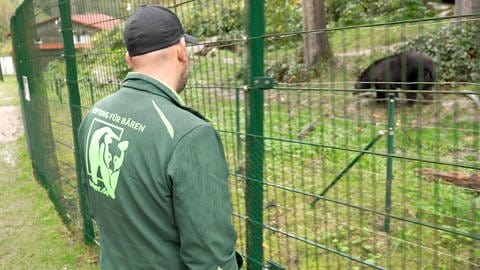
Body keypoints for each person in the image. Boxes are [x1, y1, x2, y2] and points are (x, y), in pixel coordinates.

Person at [78, 4, 241, 269]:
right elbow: (211, 258)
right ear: (181, 50)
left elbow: (96, 203)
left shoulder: (95, 115)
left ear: (129, 59)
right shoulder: (190, 135)